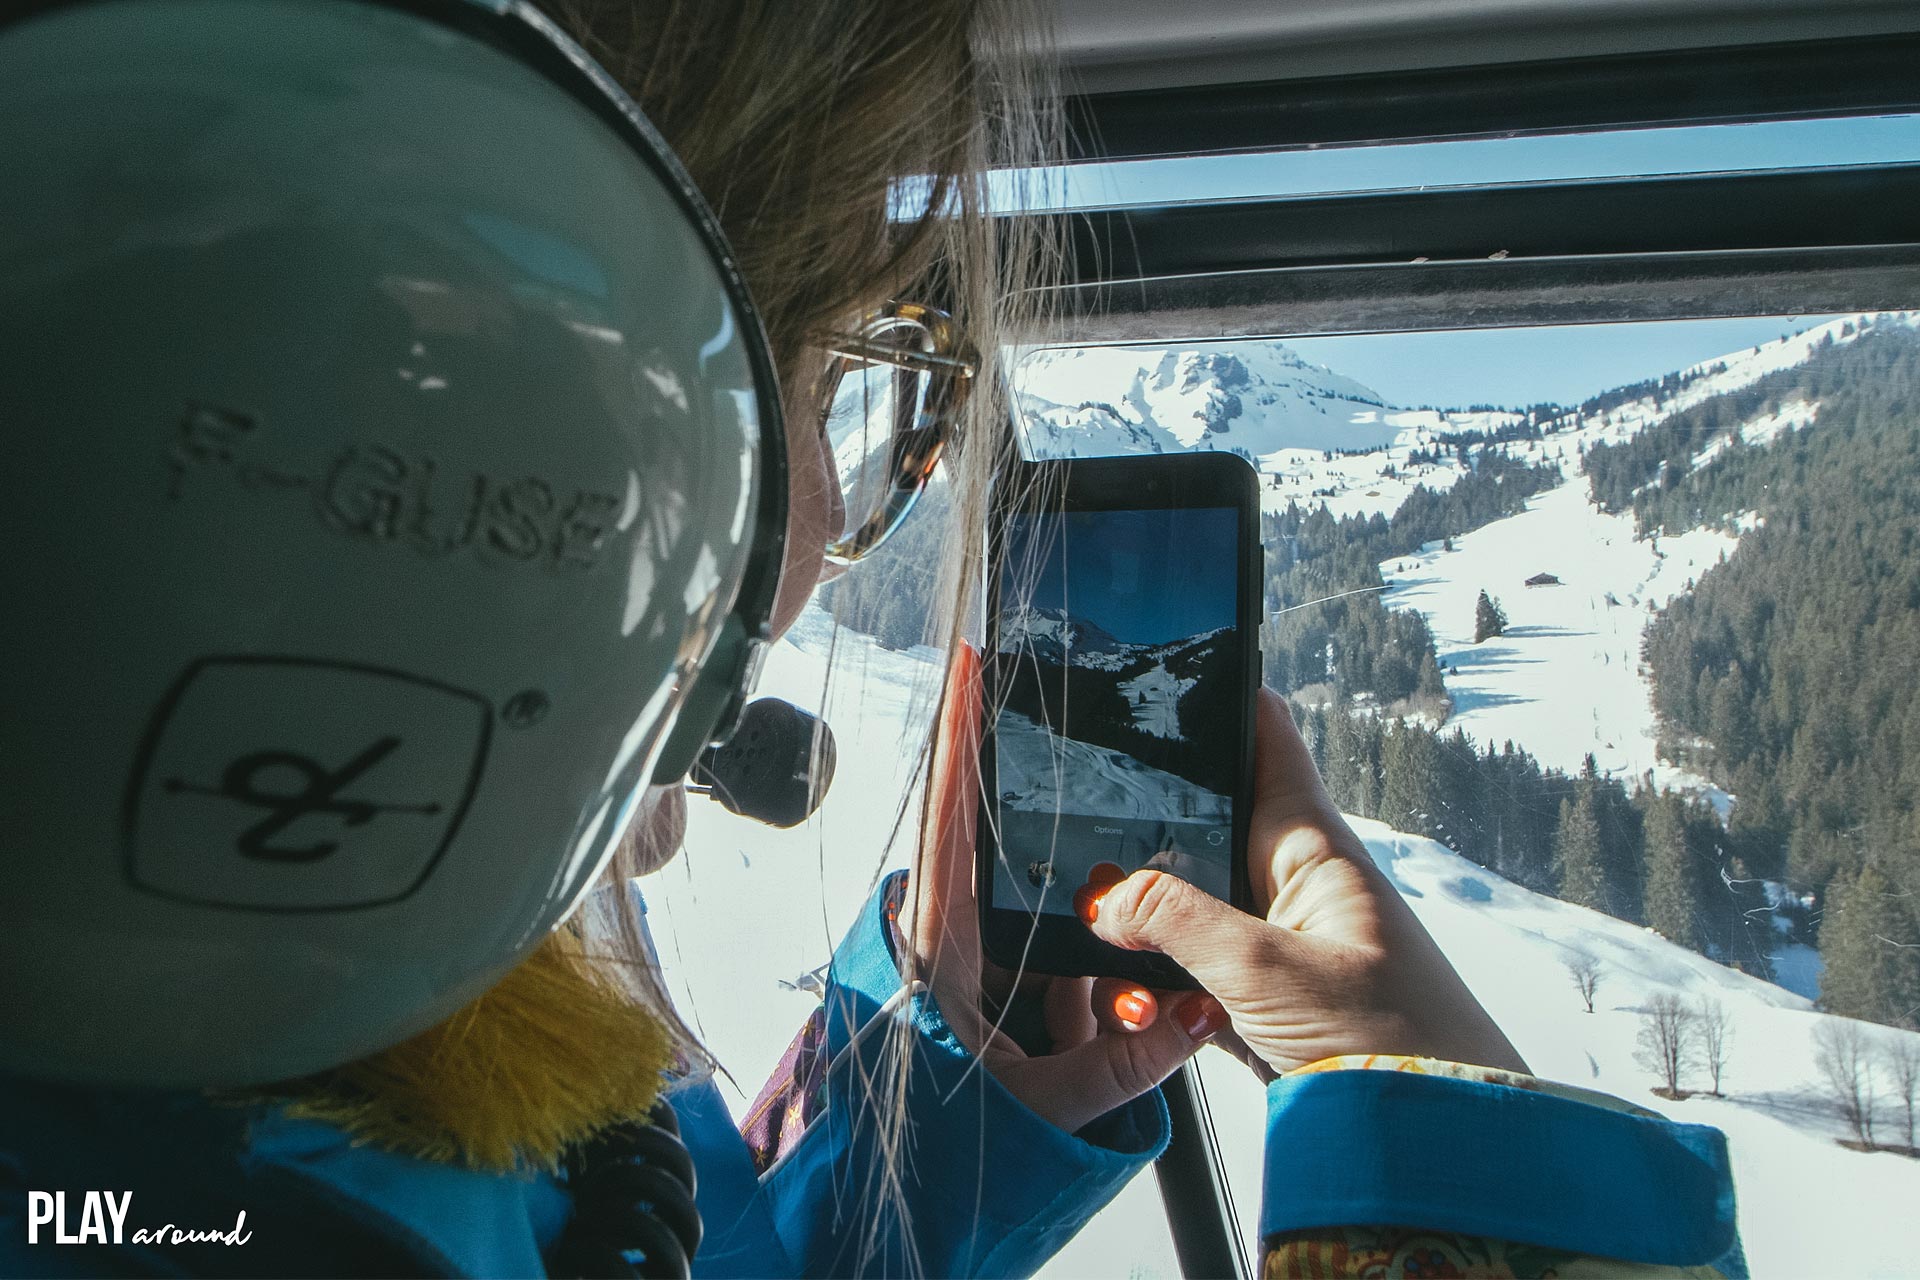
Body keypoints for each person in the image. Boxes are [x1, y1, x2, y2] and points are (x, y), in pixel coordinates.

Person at [0, 1, 1741, 1277]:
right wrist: (1454, 1181)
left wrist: (949, 1075)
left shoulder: (298, 1140)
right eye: (816, 382)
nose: (819, 540)